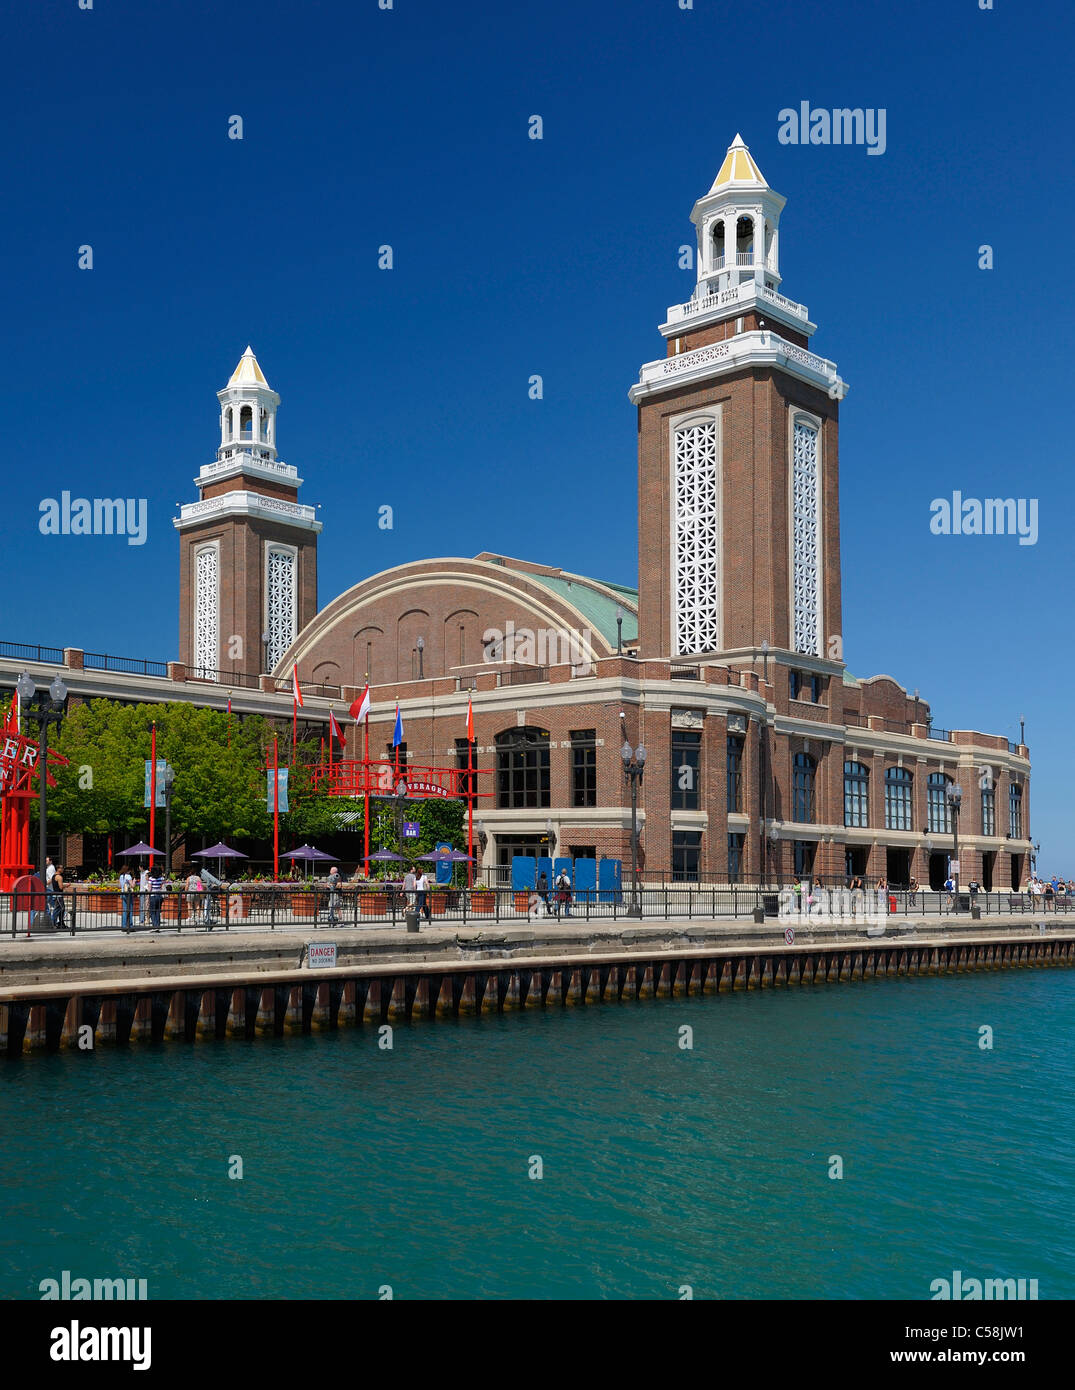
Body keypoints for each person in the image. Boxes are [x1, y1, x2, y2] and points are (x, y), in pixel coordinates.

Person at [148, 866, 168, 930]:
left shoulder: (151, 879)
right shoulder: (162, 878)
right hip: (159, 896)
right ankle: (158, 926)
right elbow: (162, 887)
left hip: (153, 896)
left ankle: (155, 926)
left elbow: (149, 889)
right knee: (157, 911)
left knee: (152, 911)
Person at [119, 866, 135, 932]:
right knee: (130, 910)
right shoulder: (128, 876)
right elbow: (132, 885)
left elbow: (119, 885)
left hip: (122, 893)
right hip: (128, 894)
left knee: (125, 910)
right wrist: (134, 881)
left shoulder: (121, 876)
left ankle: (124, 926)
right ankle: (130, 926)